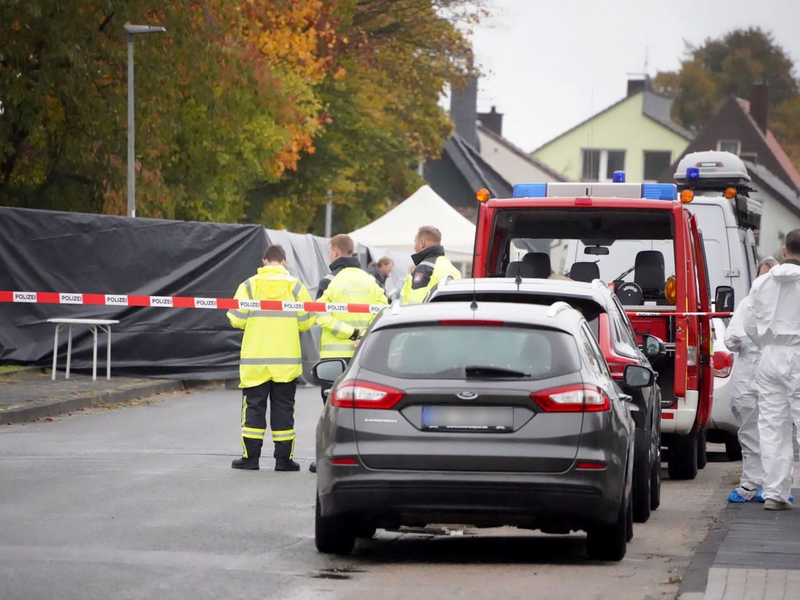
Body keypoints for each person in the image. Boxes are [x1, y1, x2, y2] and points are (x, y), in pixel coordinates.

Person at [227, 244, 314, 472]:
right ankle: (283, 461)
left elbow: (235, 319)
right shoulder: (296, 287)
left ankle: (251, 458)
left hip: (255, 361)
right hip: (286, 362)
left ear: (264, 261)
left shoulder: (248, 286)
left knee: (253, 408)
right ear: (284, 262)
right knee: (284, 410)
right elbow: (306, 322)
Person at [310, 234, 388, 473]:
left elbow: (320, 315)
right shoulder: (370, 280)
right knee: (363, 405)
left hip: (334, 359)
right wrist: (364, 335)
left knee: (331, 408)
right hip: (364, 355)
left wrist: (351, 333)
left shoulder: (329, 280)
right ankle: (364, 457)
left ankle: (328, 458)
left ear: (334, 252)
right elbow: (384, 309)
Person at [744, 230, 800, 510]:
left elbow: (750, 324)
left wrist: (765, 344)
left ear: (784, 250)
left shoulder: (762, 283)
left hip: (769, 355)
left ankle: (775, 494)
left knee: (772, 426)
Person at [724, 257, 779, 503]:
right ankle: (750, 484)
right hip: (748, 377)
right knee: (749, 433)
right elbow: (730, 337)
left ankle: (773, 486)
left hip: (774, 375)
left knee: (774, 434)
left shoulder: (784, 305)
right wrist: (746, 339)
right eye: (762, 275)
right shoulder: (748, 304)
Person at [401, 226, 462, 304]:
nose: (414, 247)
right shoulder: (451, 268)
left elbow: (415, 303)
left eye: (415, 242)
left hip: (425, 315)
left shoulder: (424, 268)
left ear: (421, 243)